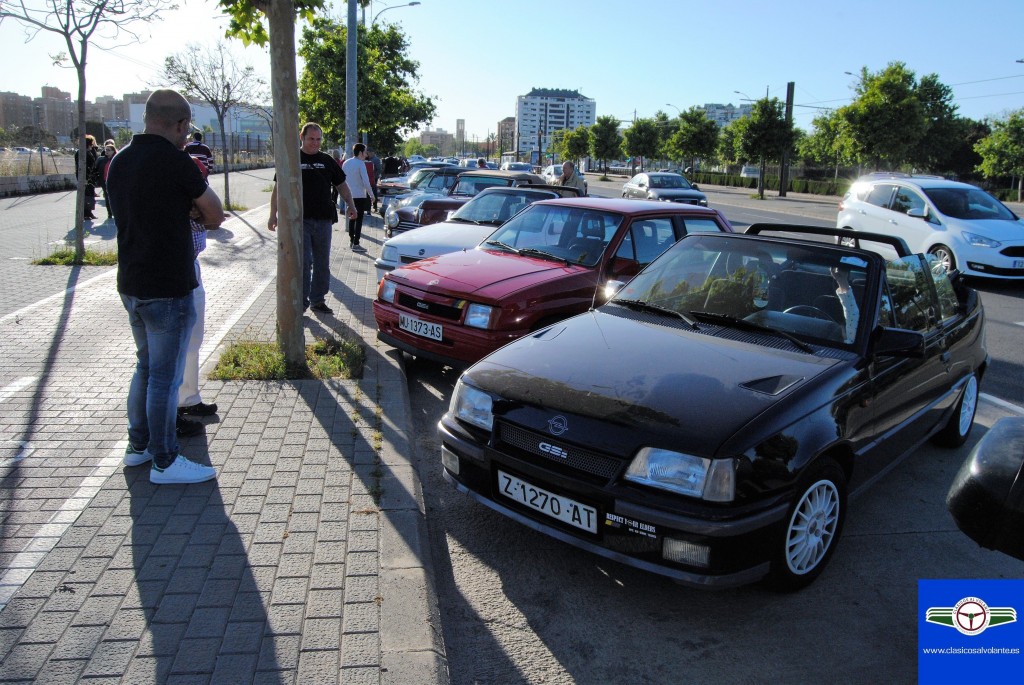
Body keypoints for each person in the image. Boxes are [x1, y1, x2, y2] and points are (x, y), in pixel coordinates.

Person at [107, 88, 225, 485]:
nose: (186, 135)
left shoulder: (119, 161)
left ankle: (138, 447)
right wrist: (190, 209)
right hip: (169, 286)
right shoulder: (177, 163)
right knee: (164, 376)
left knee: (145, 367)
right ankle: (165, 460)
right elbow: (215, 213)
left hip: (131, 283)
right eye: (186, 128)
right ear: (179, 124)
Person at [267, 123, 357, 315]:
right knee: (304, 262)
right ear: (302, 137)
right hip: (300, 221)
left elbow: (342, 185)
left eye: (318, 139)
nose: (315, 143)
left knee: (322, 263)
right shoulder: (292, 159)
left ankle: (318, 300)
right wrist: (272, 214)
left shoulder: (326, 160)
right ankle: (300, 303)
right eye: (311, 139)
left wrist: (351, 204)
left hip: (324, 220)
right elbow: (278, 189)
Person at [176, 154, 219, 437]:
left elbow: (214, 217)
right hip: (175, 272)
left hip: (191, 266)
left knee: (193, 340)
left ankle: (188, 398)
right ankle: (170, 413)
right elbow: (214, 215)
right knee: (173, 347)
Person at [342, 142, 375, 251]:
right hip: (360, 196)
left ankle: (351, 240)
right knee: (359, 219)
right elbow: (366, 182)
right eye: (365, 152)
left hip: (348, 195)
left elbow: (342, 180)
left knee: (352, 218)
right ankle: (356, 243)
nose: (366, 155)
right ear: (360, 152)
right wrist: (372, 195)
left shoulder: (346, 163)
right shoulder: (361, 164)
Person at [75, 134, 99, 220]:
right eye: (91, 144)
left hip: (89, 177)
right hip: (86, 177)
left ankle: (89, 212)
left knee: (89, 194)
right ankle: (86, 213)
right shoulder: (82, 153)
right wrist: (85, 178)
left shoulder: (86, 152)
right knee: (87, 195)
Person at [93, 140, 117, 218]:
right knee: (107, 197)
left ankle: (116, 212)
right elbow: (96, 169)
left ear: (113, 151)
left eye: (108, 150)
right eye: (106, 150)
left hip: (115, 182)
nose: (106, 151)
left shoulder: (117, 159)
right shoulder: (101, 159)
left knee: (115, 197)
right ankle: (109, 212)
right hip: (104, 181)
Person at [367, 147, 383, 213]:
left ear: (371, 152)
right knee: (367, 193)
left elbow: (379, 169)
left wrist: (374, 176)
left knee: (374, 193)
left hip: (373, 179)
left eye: (368, 153)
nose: (367, 154)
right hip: (367, 179)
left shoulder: (376, 160)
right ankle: (368, 208)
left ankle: (375, 206)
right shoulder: (367, 159)